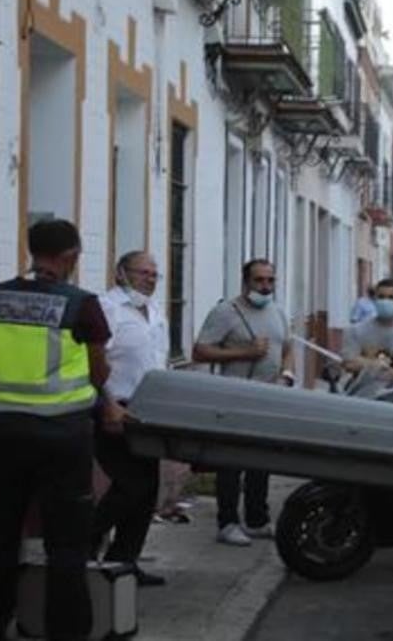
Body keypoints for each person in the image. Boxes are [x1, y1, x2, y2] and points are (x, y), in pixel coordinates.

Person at [0, 219, 118, 641]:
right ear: (69, 257)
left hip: (3, 435)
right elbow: (98, 370)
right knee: (67, 546)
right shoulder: (81, 305)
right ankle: (66, 633)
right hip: (64, 439)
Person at [193, 259, 296, 547]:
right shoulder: (227, 312)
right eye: (259, 280)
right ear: (245, 282)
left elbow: (287, 347)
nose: (265, 286)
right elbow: (200, 351)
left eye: (270, 280)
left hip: (268, 397)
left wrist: (287, 375)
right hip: (234, 399)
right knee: (230, 463)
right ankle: (227, 522)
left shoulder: (277, 311)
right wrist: (244, 352)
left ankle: (257, 519)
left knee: (260, 461)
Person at [91, 251, 168, 586]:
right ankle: (83, 543)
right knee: (129, 485)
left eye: (155, 274)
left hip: (148, 411)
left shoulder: (154, 311)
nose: (150, 279)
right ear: (121, 272)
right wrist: (107, 403)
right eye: (143, 273)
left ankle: (125, 563)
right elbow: (92, 361)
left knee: (147, 489)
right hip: (113, 408)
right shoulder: (107, 308)